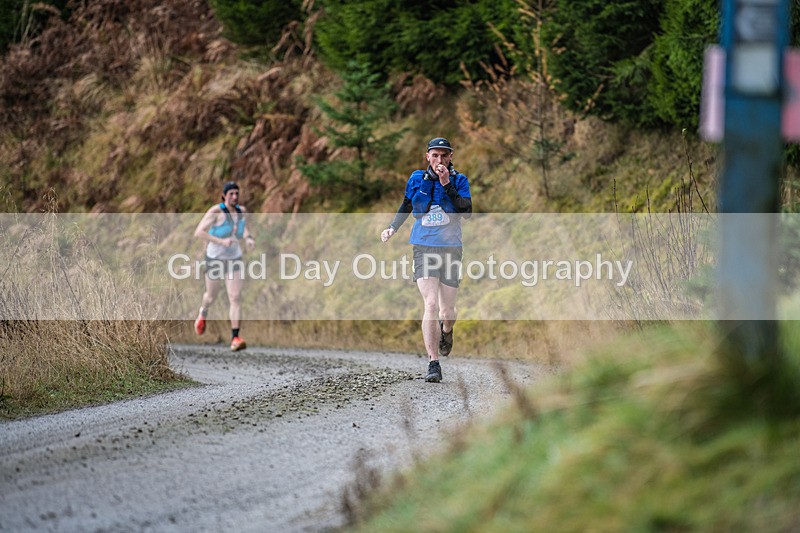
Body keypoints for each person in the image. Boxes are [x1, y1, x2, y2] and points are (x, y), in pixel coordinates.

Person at [381, 137, 472, 383]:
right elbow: (407, 204)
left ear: (450, 157)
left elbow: (467, 212)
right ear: (427, 156)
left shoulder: (459, 180)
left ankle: (447, 330)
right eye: (435, 155)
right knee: (430, 304)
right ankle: (433, 363)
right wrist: (392, 228)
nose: (439, 160)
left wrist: (446, 184)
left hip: (451, 248)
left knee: (447, 311)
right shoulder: (416, 179)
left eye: (444, 155)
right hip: (423, 247)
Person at [193, 180, 256, 351]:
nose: (234, 197)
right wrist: (221, 241)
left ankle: (235, 337)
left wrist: (248, 239)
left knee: (235, 297)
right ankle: (203, 312)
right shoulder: (216, 211)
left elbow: (244, 228)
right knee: (211, 296)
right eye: (231, 194)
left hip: (234, 258)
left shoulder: (241, 211)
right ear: (224, 196)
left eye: (237, 193)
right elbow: (199, 232)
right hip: (215, 258)